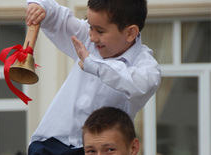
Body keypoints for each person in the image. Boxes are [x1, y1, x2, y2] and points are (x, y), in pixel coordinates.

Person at [26, 0, 161, 154]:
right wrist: (39, 7)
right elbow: (58, 17)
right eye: (90, 27)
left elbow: (138, 84)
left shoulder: (146, 66)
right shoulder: (86, 37)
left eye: (100, 31)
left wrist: (93, 64)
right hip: (48, 143)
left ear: (130, 33)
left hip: (93, 150)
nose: (92, 37)